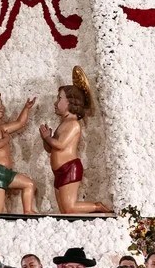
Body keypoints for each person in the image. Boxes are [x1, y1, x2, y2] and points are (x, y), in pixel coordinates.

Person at [39, 84, 111, 215]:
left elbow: (60, 145)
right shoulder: (63, 124)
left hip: (69, 169)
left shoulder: (73, 124)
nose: (56, 102)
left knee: (69, 208)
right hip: (59, 171)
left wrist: (48, 138)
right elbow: (51, 149)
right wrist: (46, 139)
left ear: (70, 101)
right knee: (64, 211)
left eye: (59, 98)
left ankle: (97, 207)